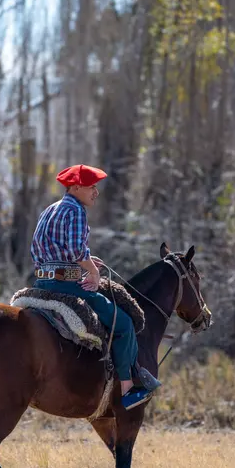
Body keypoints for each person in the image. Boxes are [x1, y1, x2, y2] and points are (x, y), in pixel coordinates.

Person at [31, 163, 153, 410]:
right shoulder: (76, 211)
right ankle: (128, 389)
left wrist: (86, 260)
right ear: (76, 187)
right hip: (65, 285)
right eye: (91, 187)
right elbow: (76, 250)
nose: (96, 192)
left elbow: (45, 250)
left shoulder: (50, 209)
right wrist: (93, 271)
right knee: (123, 322)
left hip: (42, 281)